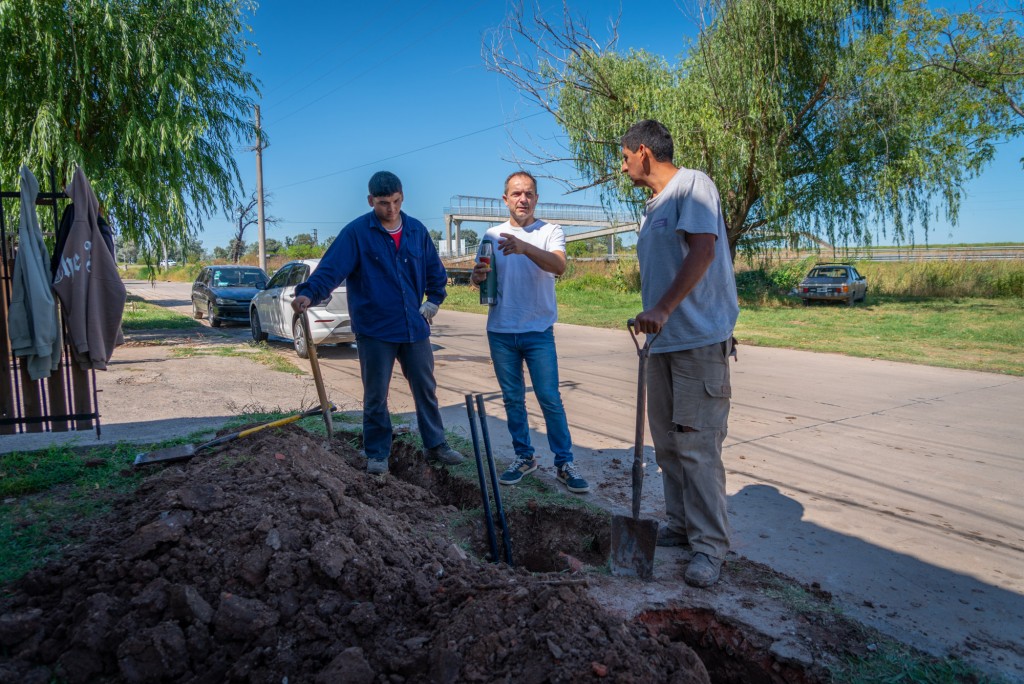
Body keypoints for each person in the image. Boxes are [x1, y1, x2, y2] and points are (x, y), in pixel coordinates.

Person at [621, 119, 739, 588]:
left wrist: (664, 308)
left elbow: (703, 252)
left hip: (698, 341)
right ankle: (681, 524)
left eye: (625, 157)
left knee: (697, 447)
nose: (623, 166)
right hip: (662, 344)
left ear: (644, 152)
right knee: (668, 446)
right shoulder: (652, 207)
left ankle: (709, 547)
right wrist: (652, 316)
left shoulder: (694, 185)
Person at [291, 171, 464, 475]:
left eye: (396, 201)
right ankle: (377, 453)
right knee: (375, 395)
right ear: (371, 200)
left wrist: (434, 300)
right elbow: (330, 270)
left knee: (425, 388)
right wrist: (308, 294)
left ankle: (436, 444)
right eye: (384, 203)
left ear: (402, 197)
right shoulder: (356, 233)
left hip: (413, 328)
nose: (391, 209)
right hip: (375, 330)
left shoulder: (416, 231)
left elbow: (435, 273)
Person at [470, 170, 589, 494]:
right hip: (500, 330)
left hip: (538, 331)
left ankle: (564, 463)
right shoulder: (491, 235)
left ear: (536, 198)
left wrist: (525, 247)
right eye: (516, 193)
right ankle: (524, 457)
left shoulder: (550, 231)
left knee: (549, 398)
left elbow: (559, 266)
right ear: (505, 199)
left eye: (528, 194)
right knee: (512, 399)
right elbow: (481, 279)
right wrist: (476, 278)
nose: (522, 199)